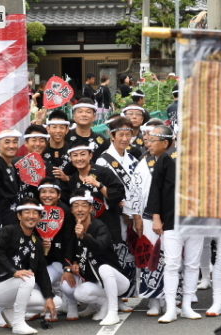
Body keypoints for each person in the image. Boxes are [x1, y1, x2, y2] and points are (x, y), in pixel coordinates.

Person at [143, 125, 203, 323]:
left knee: (193, 264)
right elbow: (156, 190)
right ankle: (170, 307)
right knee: (171, 264)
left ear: (165, 142)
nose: (149, 144)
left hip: (195, 220)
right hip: (171, 220)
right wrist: (156, 217)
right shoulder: (166, 160)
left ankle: (186, 305)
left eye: (153, 141)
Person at [0, 198, 61, 335]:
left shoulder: (36, 242)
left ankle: (9, 311)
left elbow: (42, 272)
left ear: (39, 218)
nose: (31, 216)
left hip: (16, 287)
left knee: (56, 302)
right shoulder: (8, 231)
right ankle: (19, 323)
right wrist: (13, 271)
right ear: (19, 215)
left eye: (35, 213)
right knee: (28, 277)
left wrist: (48, 296)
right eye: (27, 212)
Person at [61, 189, 129, 326]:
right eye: (76, 206)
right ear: (72, 209)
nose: (80, 209)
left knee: (104, 268)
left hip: (116, 280)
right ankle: (100, 304)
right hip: (93, 280)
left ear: (91, 208)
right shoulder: (72, 228)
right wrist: (70, 267)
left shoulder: (100, 226)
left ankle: (112, 312)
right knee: (69, 287)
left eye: (84, 205)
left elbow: (100, 246)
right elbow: (68, 252)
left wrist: (84, 236)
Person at [132, 120, 166, 315]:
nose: (151, 143)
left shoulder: (173, 159)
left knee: (170, 258)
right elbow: (135, 192)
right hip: (147, 215)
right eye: (149, 139)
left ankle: (170, 297)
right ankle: (153, 299)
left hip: (170, 216)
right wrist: (136, 216)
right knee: (150, 254)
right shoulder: (143, 162)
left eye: (156, 139)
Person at [68, 139, 125, 245]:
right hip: (86, 229)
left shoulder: (103, 172)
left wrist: (99, 185)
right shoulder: (73, 180)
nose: (79, 158)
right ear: (70, 158)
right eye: (75, 155)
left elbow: (118, 194)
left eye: (83, 154)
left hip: (109, 225)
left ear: (90, 156)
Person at [37, 177, 74, 319]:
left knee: (59, 279)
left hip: (61, 259)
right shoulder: (35, 211)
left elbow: (70, 241)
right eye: (43, 192)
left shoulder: (65, 212)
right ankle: (48, 306)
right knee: (38, 278)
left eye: (51, 192)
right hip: (43, 260)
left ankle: (70, 304)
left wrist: (67, 266)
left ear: (58, 195)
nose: (47, 195)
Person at [0, 129, 21, 232]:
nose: (12, 146)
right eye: (7, 142)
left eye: (15, 142)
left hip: (11, 220)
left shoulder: (12, 165)